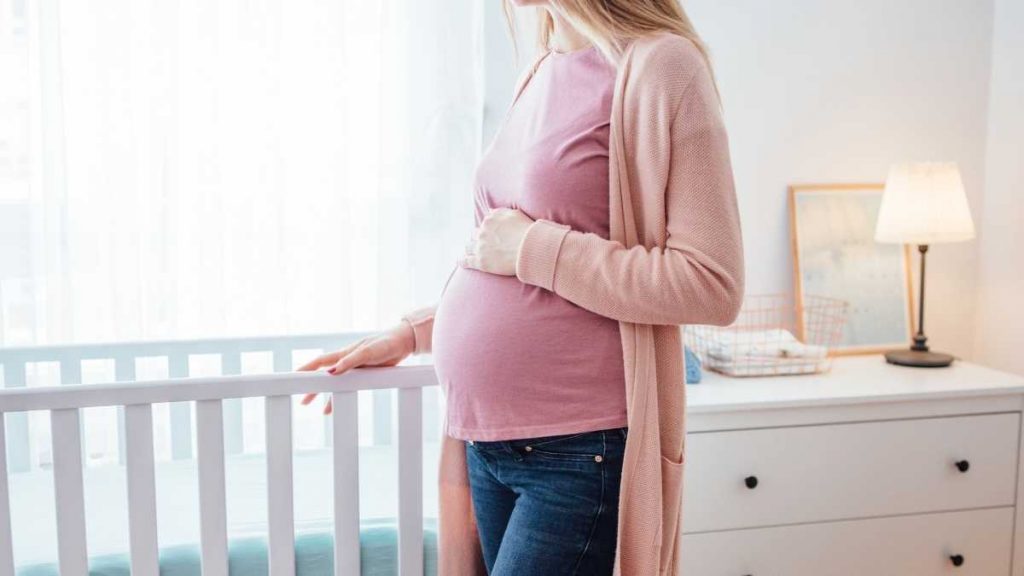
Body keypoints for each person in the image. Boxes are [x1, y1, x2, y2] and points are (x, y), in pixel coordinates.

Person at [299, 1, 744, 574]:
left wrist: (537, 249)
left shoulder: (663, 67)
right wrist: (414, 333)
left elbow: (711, 282)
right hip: (485, 446)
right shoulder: (540, 69)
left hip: (581, 450)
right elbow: (503, 255)